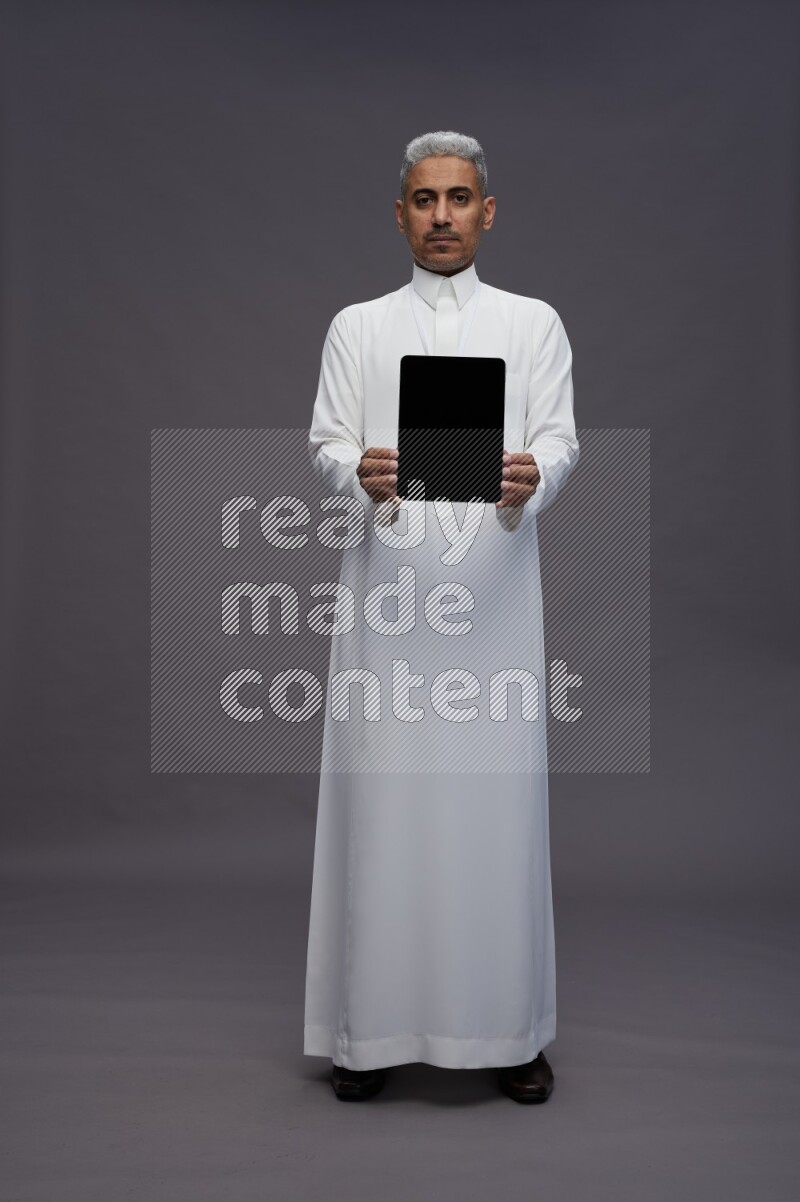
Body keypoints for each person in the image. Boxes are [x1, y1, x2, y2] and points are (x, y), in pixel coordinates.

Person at [303, 131, 579, 1102]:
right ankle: (368, 1032)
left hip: (495, 604)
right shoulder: (358, 327)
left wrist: (533, 474)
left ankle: (509, 1030)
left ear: (486, 211)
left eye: (459, 199)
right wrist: (356, 468)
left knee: (495, 809)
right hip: (390, 601)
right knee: (385, 807)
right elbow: (326, 439)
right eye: (424, 201)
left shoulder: (533, 324)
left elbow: (559, 439)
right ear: (399, 213)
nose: (442, 217)